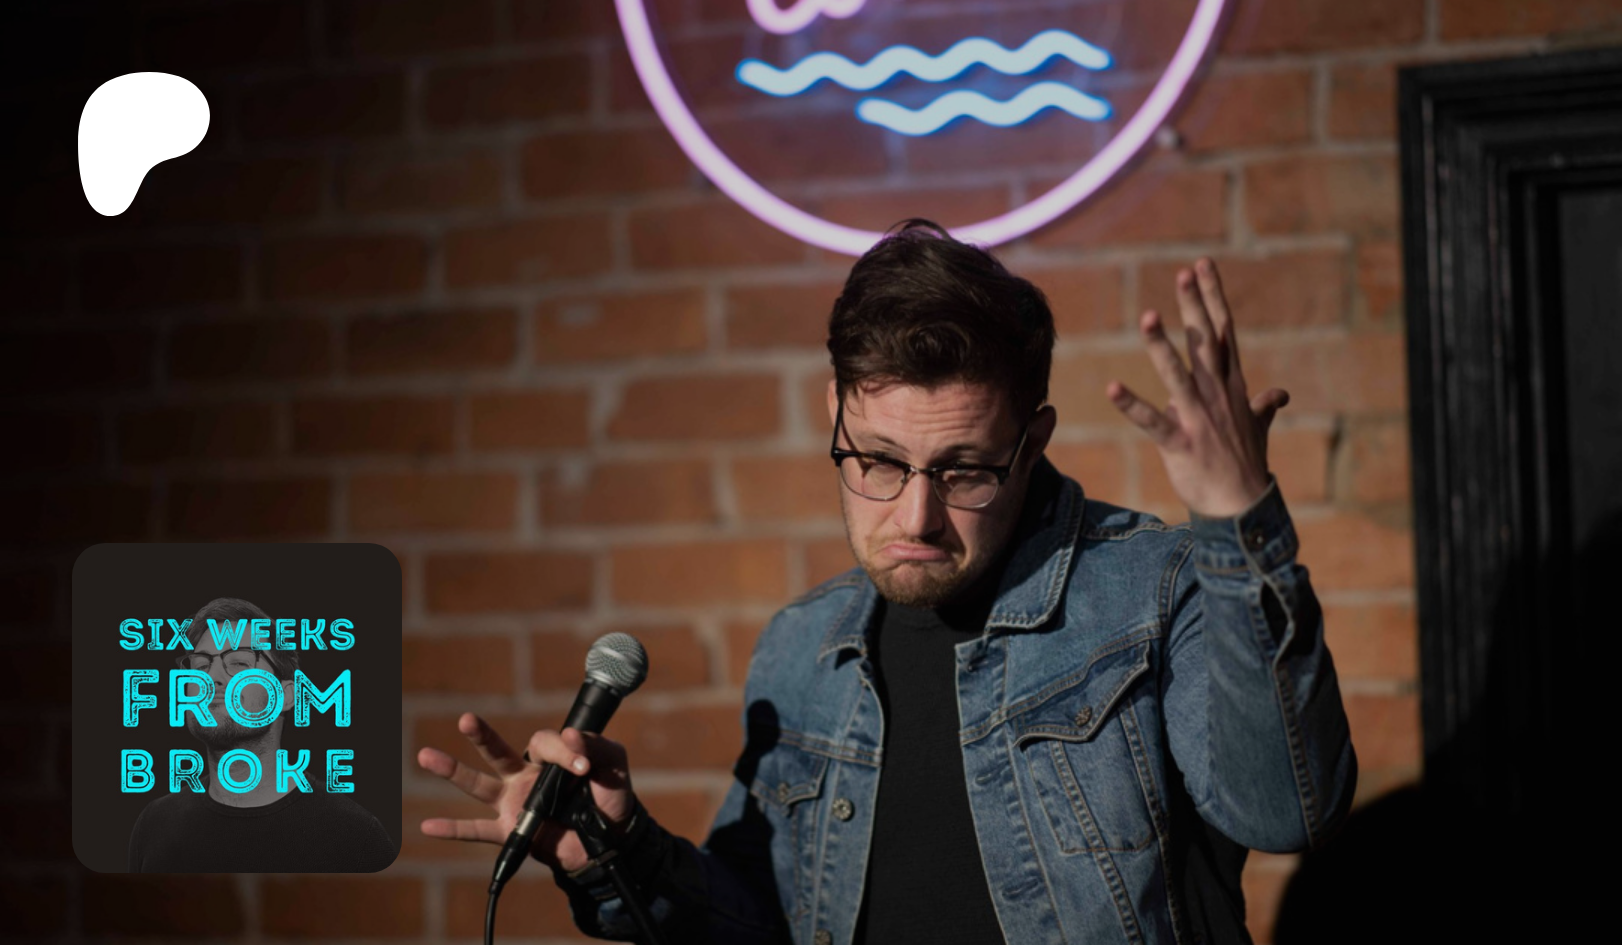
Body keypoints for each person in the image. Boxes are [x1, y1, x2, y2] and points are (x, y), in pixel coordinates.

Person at [418, 220, 1356, 941]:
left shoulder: (1157, 588)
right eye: (876, 461)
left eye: (964, 470)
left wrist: (1239, 522)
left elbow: (1288, 810)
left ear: (1033, 441)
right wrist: (617, 850)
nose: (915, 516)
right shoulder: (803, 647)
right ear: (834, 411)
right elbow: (762, 923)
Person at [129, 596, 395, 872]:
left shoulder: (356, 838)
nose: (212, 677)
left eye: (239, 663)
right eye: (201, 666)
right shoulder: (154, 825)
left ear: (286, 695)